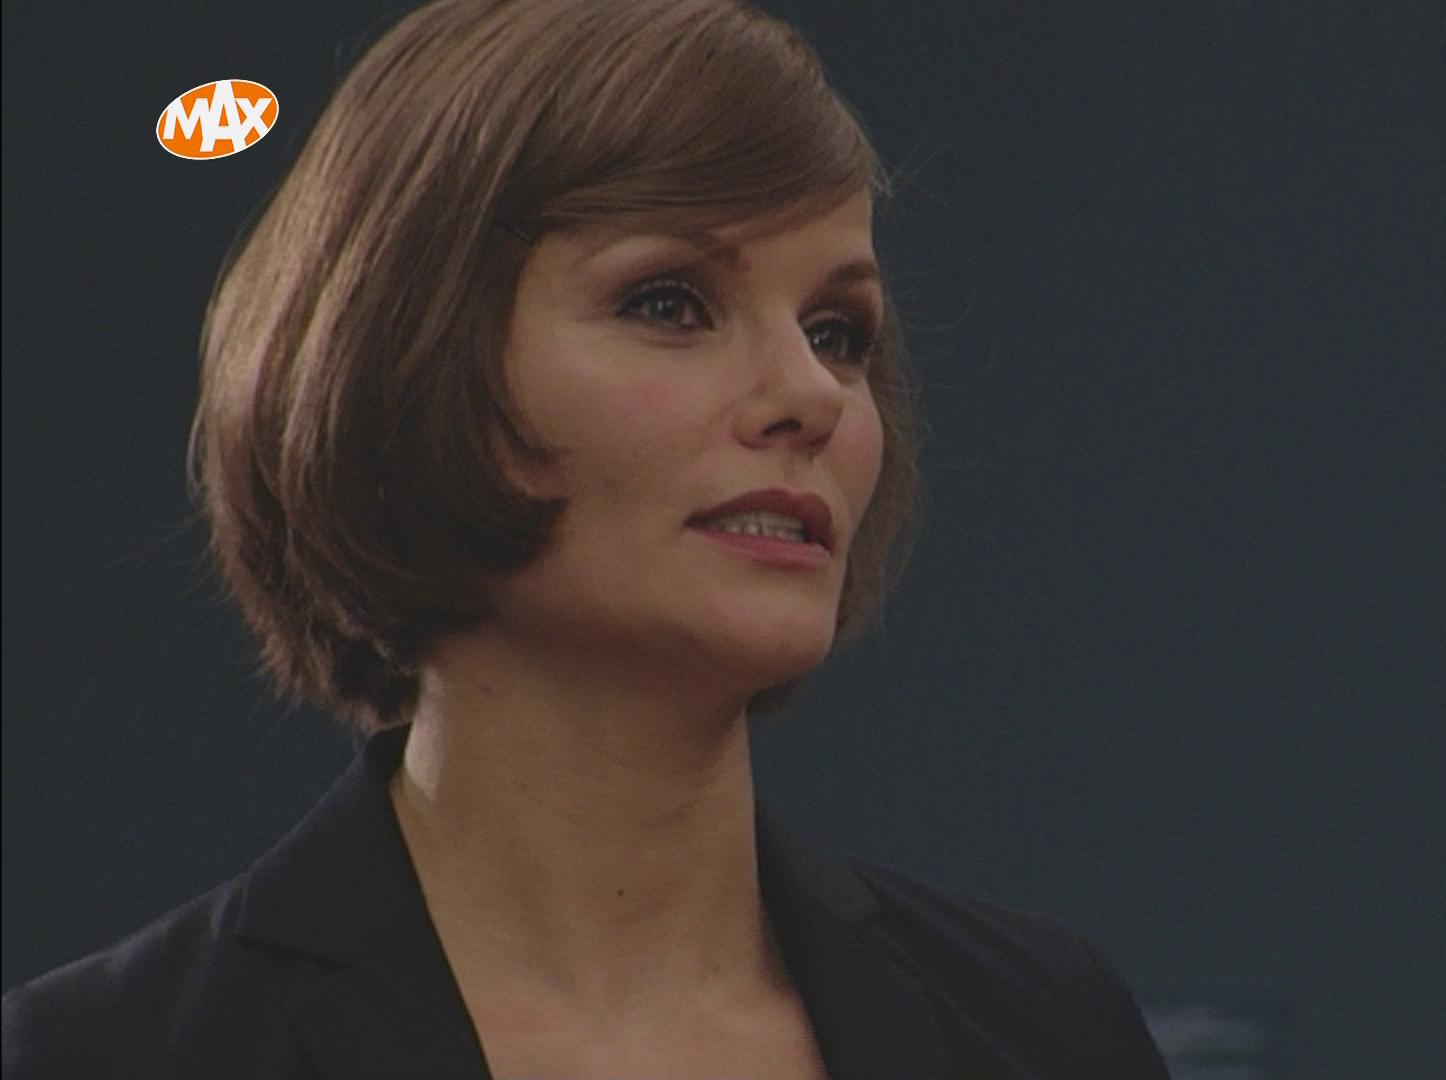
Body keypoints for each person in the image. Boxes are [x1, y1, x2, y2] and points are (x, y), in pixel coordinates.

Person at [0, 1, 1172, 1077]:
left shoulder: (1037, 1031)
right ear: (408, 360)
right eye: (669, 303)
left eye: (837, 331)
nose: (812, 395)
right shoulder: (107, 1057)